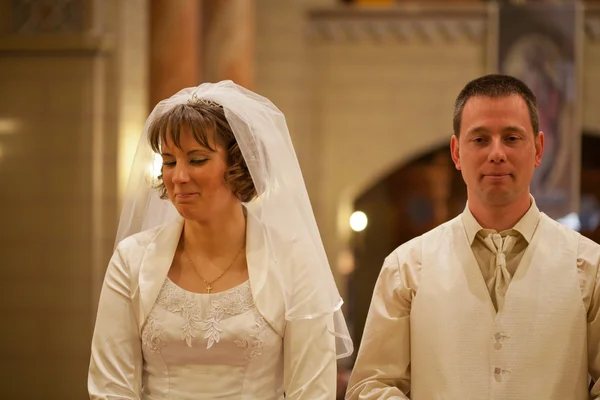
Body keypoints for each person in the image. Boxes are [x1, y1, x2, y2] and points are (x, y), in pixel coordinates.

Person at [88, 80, 353, 399]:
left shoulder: (294, 260)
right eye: (170, 161)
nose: (178, 177)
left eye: (196, 159)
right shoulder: (132, 259)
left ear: (240, 165)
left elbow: (312, 391)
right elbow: (111, 387)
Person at [345, 74, 600, 399]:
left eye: (511, 138)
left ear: (538, 149)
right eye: (480, 139)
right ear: (456, 152)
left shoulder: (589, 267)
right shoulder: (406, 268)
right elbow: (371, 385)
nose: (496, 153)